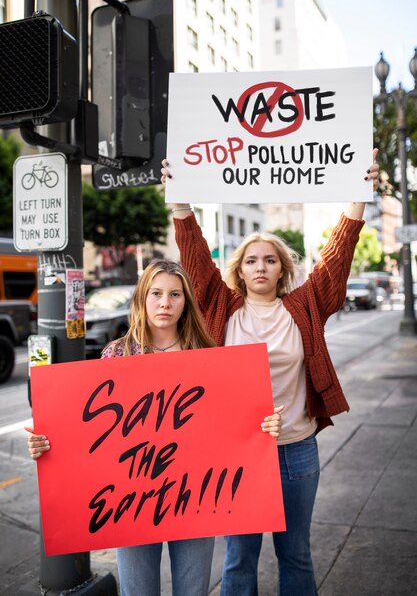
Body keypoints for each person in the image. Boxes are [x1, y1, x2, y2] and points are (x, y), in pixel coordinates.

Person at [161, 150, 380, 596]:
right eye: (251, 261)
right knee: (239, 558)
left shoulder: (304, 306)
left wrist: (358, 195)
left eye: (270, 260)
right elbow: (196, 255)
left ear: (283, 269)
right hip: (235, 455)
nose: (260, 267)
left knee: (295, 553)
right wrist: (180, 201)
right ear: (239, 271)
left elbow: (337, 257)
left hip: (296, 450)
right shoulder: (221, 306)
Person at [25, 258, 282, 596]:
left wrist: (264, 425)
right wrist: (47, 444)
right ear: (142, 299)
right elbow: (91, 434)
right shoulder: (115, 357)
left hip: (194, 496)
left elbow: (230, 426)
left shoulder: (208, 356)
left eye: (175, 295)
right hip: (129, 500)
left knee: (192, 591)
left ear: (186, 302)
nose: (165, 303)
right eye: (156, 293)